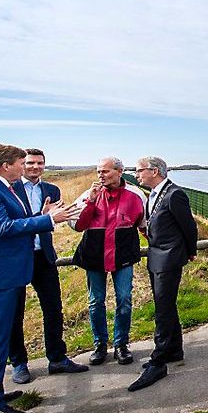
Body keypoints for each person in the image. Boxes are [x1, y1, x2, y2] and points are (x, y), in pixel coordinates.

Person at [0, 144, 77, 413]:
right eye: (21, 162)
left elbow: (16, 221)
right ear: (6, 165)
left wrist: (41, 214)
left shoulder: (3, 187)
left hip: (3, 273)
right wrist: (48, 219)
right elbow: (1, 227)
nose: (25, 167)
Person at [8, 148, 89, 384]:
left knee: (53, 308)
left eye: (39, 163)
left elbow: (54, 221)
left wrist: (55, 217)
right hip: (18, 257)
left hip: (44, 255)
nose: (35, 167)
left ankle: (57, 358)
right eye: (30, 163)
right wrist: (43, 216)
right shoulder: (12, 189)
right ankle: (19, 363)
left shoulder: (51, 190)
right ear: (22, 165)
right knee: (16, 313)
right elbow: (14, 224)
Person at [129, 156, 197, 392]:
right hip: (157, 257)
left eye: (139, 171)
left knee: (163, 309)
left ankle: (158, 361)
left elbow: (188, 226)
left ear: (155, 171)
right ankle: (174, 351)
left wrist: (190, 252)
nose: (136, 174)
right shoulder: (155, 194)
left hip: (168, 258)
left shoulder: (174, 194)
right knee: (166, 306)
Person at [72, 157, 146, 367]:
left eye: (105, 171)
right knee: (96, 301)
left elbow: (144, 224)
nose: (100, 175)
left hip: (123, 255)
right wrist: (91, 202)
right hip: (94, 256)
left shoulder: (136, 195)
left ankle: (121, 345)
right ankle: (100, 345)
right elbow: (78, 226)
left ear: (120, 171)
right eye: (98, 171)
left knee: (124, 299)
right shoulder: (89, 195)